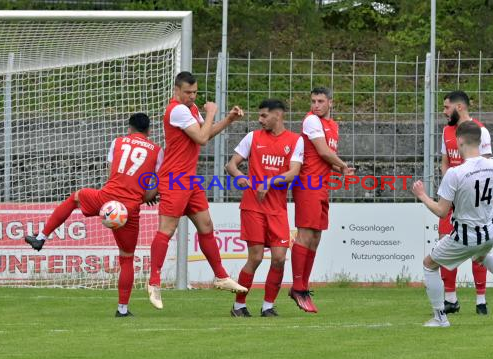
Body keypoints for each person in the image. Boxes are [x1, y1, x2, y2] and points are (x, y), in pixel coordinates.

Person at [25, 113, 163, 318]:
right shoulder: (158, 151)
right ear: (149, 131)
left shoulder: (117, 142)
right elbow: (152, 190)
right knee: (127, 259)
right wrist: (141, 198)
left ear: (129, 128)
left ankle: (41, 237)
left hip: (107, 199)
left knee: (76, 197)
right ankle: (122, 309)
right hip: (130, 209)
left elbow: (111, 176)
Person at [412, 121, 493, 327]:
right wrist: (487, 205)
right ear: (480, 142)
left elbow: (442, 211)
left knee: (429, 265)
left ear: (460, 141)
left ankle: (440, 318)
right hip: (489, 233)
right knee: (482, 256)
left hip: (464, 235)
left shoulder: (455, 173)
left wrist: (422, 195)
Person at [147, 71, 247, 310]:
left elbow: (205, 133)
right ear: (177, 91)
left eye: (195, 92)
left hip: (189, 179)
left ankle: (221, 276)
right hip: (174, 179)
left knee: (206, 226)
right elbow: (201, 139)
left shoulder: (189, 109)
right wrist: (212, 112)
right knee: (167, 229)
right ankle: (154, 282)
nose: (192, 96)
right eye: (188, 92)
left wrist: (228, 120)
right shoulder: (177, 110)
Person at [225, 99, 304, 317]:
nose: (259, 120)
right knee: (256, 257)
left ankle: (268, 306)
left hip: (277, 209)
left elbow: (293, 173)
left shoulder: (295, 141)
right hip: (253, 207)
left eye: (263, 116)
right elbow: (231, 164)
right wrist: (240, 176)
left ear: (277, 115)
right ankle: (239, 305)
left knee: (279, 258)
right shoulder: (253, 137)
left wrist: (269, 182)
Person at [289, 87, 354, 313]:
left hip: (321, 186)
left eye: (320, 101)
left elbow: (326, 160)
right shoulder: (311, 122)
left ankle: (302, 287)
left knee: (315, 237)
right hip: (307, 184)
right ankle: (298, 287)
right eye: (313, 101)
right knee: (305, 235)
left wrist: (339, 170)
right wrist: (343, 165)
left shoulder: (332, 126)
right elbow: (323, 152)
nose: (315, 105)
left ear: (330, 103)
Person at [440, 90, 493, 315]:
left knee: (478, 249)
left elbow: (487, 166)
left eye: (446, 107)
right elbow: (445, 163)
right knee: (444, 244)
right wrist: (448, 192)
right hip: (452, 198)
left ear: (459, 107)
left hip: (473, 201)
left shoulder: (480, 131)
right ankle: (450, 299)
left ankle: (481, 300)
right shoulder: (446, 131)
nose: (444, 112)